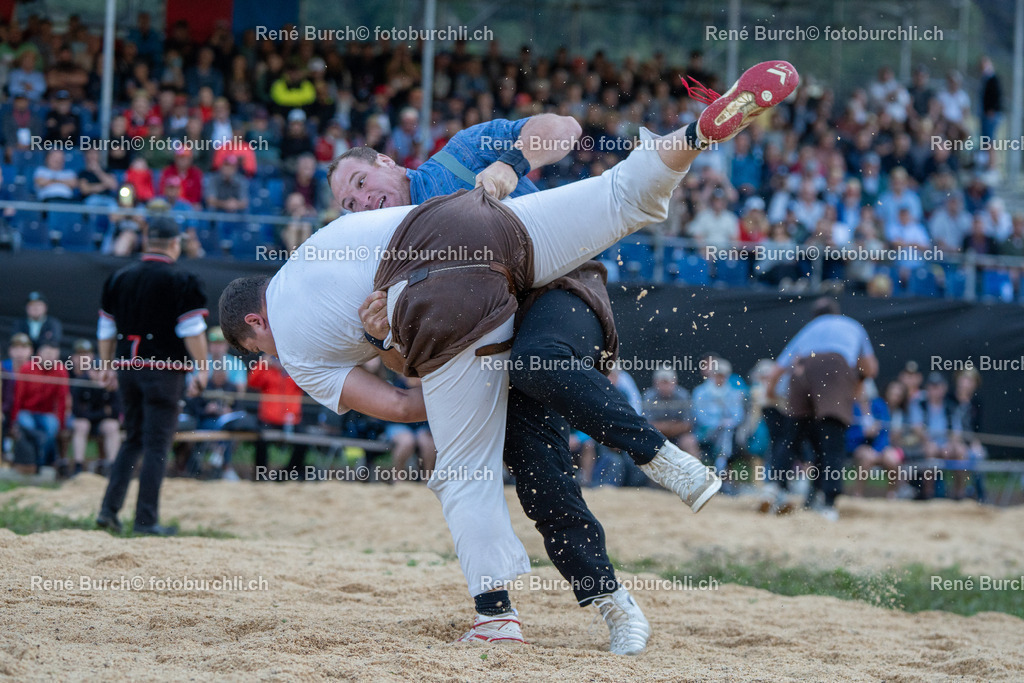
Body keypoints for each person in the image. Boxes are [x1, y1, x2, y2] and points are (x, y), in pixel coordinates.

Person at [218, 60, 797, 646]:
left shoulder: (457, 157)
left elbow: (563, 129)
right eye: (348, 202)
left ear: (389, 162)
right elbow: (414, 363)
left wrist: (510, 162)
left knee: (533, 367)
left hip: (552, 286)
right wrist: (382, 339)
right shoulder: (376, 252)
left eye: (363, 185)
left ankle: (653, 462)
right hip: (484, 326)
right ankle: (614, 603)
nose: (361, 202)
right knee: (541, 477)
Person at [95, 216, 210, 536]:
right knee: (158, 444)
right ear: (175, 243)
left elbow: (106, 329)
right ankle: (145, 520)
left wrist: (106, 366)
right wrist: (203, 369)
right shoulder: (183, 279)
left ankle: (109, 510)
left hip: (127, 370)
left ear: (146, 241)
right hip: (165, 372)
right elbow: (192, 330)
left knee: (133, 439)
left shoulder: (119, 277)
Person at [767, 297, 878, 521]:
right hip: (835, 369)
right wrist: (857, 381)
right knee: (832, 441)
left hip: (802, 369)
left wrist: (770, 393)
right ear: (837, 312)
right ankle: (828, 502)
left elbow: (778, 368)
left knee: (792, 436)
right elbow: (870, 368)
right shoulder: (852, 325)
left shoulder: (809, 328)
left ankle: (774, 488)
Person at [11, 341, 69, 472]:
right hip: (27, 411)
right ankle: (29, 461)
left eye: (53, 354)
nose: (50, 357)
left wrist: (61, 424)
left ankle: (42, 462)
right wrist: (14, 420)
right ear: (39, 354)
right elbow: (18, 397)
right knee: (28, 426)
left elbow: (62, 401)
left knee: (52, 427)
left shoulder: (61, 371)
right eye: (47, 353)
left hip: (46, 413)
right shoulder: (27, 368)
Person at [68, 339, 122, 476]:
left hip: (100, 422)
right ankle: (78, 466)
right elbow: (76, 411)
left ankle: (113, 466)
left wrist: (92, 413)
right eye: (95, 370)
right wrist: (104, 412)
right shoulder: (81, 383)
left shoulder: (110, 385)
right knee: (81, 425)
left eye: (100, 370)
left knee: (112, 426)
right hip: (86, 421)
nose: (97, 374)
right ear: (90, 371)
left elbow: (116, 412)